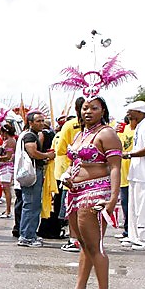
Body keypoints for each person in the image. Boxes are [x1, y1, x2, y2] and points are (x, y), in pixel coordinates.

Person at [53, 95, 122, 289]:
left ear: (103, 111)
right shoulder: (82, 134)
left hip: (95, 193)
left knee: (95, 245)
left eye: (94, 108)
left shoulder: (107, 134)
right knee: (83, 244)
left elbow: (115, 167)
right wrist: (69, 178)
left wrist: (112, 199)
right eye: (85, 108)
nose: (88, 112)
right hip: (75, 193)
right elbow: (77, 162)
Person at [17, 111, 55, 247]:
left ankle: (29, 234)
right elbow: (33, 153)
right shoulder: (30, 136)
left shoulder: (32, 135)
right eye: (38, 121)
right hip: (32, 173)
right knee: (31, 205)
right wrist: (47, 156)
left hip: (34, 172)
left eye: (42, 120)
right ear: (30, 123)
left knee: (32, 204)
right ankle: (27, 236)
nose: (41, 123)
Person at [53, 98, 85, 252]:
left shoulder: (69, 126)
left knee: (72, 208)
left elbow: (60, 150)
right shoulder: (104, 129)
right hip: (88, 176)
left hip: (70, 173)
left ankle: (75, 239)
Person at [124, 100, 145, 250]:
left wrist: (128, 155)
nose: (128, 114)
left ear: (140, 112)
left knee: (144, 209)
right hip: (136, 174)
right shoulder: (139, 126)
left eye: (131, 111)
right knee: (134, 207)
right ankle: (134, 237)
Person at [0, 122, 17, 218]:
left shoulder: (9, 142)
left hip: (7, 167)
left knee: (7, 189)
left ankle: (8, 211)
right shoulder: (10, 140)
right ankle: (7, 210)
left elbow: (8, 156)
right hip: (5, 167)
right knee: (5, 189)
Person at [115, 115, 133, 239]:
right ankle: (129, 231)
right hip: (128, 174)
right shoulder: (133, 131)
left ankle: (129, 232)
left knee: (127, 205)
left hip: (127, 174)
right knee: (129, 205)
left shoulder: (122, 133)